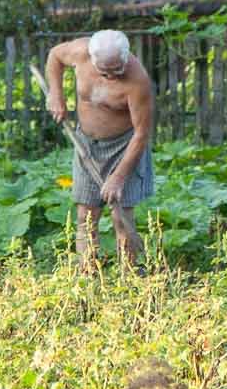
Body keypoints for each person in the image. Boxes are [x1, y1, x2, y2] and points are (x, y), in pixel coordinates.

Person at [43, 28, 155, 270]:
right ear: (92, 59)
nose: (112, 76)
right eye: (105, 71)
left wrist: (118, 177)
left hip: (125, 148)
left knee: (120, 218)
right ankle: (88, 276)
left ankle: (128, 280)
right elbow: (54, 56)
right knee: (86, 215)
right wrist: (56, 93)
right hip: (87, 146)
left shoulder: (138, 81)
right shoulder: (80, 51)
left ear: (126, 58)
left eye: (118, 70)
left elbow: (142, 134)